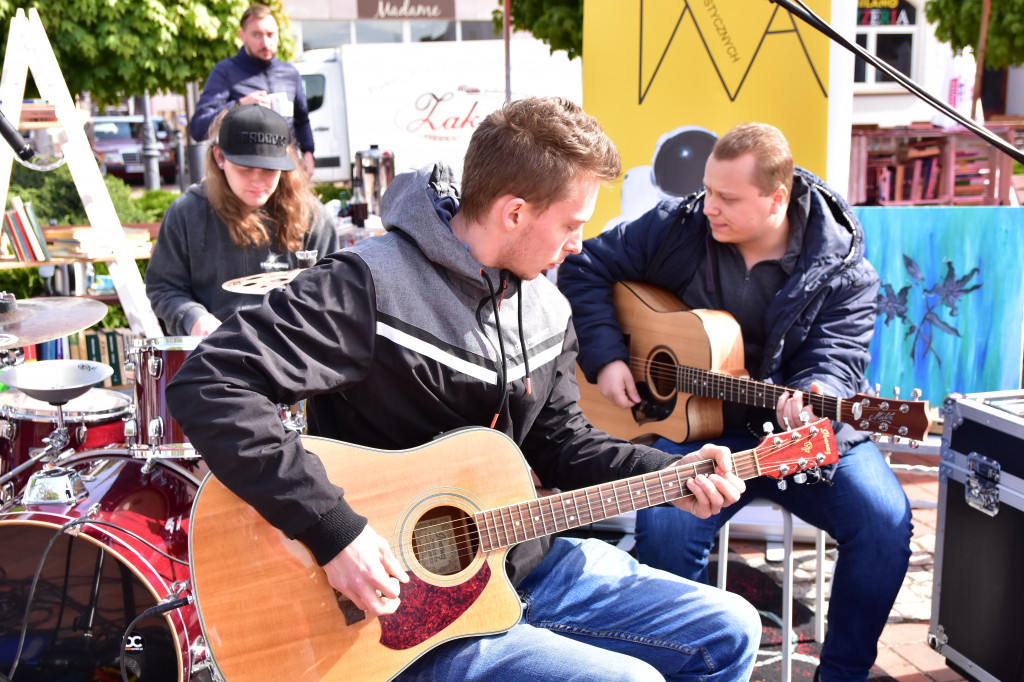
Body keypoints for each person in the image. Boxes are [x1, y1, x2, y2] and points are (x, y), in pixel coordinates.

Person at [164, 97, 762, 680]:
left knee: (731, 627)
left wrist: (665, 473)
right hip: (396, 611)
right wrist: (334, 531)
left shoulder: (548, 308)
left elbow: (560, 444)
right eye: (573, 224)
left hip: (525, 564)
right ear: (515, 212)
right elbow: (211, 383)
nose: (578, 245)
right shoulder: (370, 285)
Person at [557, 122, 914, 682]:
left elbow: (839, 356)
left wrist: (820, 392)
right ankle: (681, 668)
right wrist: (607, 357)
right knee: (666, 529)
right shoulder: (680, 225)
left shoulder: (845, 271)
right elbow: (584, 266)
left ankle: (842, 673)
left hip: (802, 437)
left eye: (727, 197)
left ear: (777, 198)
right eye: (707, 190)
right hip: (702, 432)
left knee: (885, 519)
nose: (709, 207)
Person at [146, 104, 338, 337]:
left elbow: (330, 295)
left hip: (289, 354)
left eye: (269, 170)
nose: (257, 181)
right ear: (219, 157)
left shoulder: (313, 217)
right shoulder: (186, 212)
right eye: (245, 169)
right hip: (214, 354)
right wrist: (193, 317)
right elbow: (163, 286)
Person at [189, 3, 315, 176]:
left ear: (278, 34)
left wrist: (308, 152)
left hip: (287, 171)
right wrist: (239, 105)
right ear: (242, 36)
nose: (265, 42)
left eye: (270, 34)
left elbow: (301, 120)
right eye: (257, 35)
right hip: (248, 176)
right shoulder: (225, 71)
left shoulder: (290, 73)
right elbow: (198, 128)